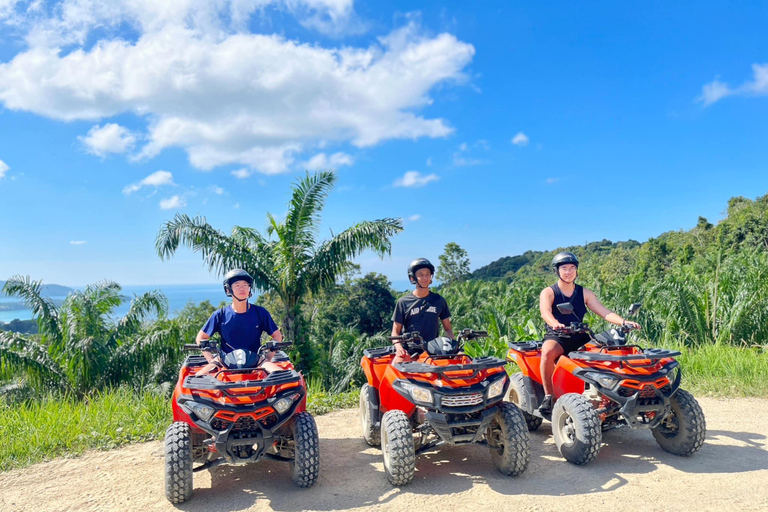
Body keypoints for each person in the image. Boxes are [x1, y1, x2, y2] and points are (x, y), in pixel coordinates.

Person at [538, 251, 641, 414]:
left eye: (572, 268)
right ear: (557, 271)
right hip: (558, 336)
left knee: (605, 353)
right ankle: (548, 396)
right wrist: (555, 324)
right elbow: (545, 312)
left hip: (580, 335)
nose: (569, 271)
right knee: (547, 352)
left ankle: (610, 395)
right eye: (564, 268)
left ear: (576, 270)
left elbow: (604, 311)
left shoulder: (584, 292)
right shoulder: (549, 292)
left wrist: (623, 321)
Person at [195, 268, 283, 375]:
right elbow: (201, 338)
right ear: (228, 290)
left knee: (281, 375)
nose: (242, 288)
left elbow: (277, 336)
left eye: (245, 285)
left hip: (256, 360)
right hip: (224, 361)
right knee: (198, 377)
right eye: (237, 285)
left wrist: (267, 358)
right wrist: (211, 360)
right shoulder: (220, 315)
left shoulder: (260, 313)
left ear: (249, 289)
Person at [391, 258, 454, 365]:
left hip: (434, 349)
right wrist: (399, 348)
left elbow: (448, 329)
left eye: (427, 274)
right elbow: (395, 332)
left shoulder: (439, 300)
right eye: (421, 274)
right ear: (413, 278)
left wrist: (450, 345)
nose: (425, 278)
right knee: (395, 369)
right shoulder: (403, 302)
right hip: (410, 349)